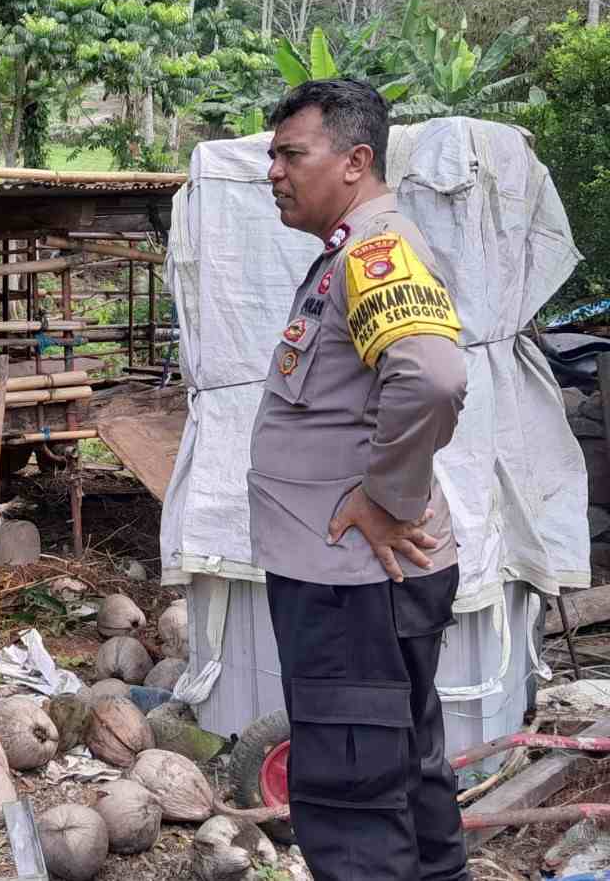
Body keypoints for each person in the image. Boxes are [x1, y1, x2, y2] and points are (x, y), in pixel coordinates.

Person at [250, 80, 470, 881]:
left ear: (354, 160)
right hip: (359, 581)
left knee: (352, 805)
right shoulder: (348, 252)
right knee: (409, 779)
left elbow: (433, 377)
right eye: (271, 154)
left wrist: (383, 497)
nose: (273, 170)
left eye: (289, 153)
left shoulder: (376, 251)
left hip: (350, 585)